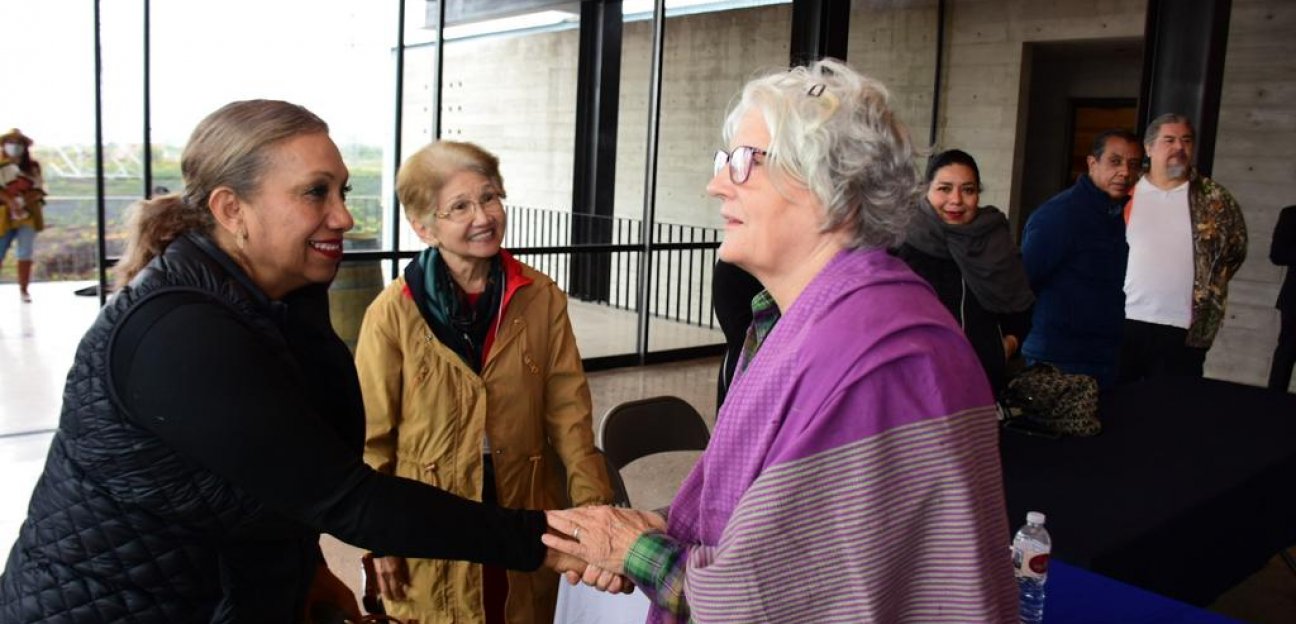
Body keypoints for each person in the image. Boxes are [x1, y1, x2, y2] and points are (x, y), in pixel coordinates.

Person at [0, 100, 575, 623]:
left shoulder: (274, 301)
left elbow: (274, 476)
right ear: (231, 208)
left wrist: (308, 572)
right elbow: (345, 496)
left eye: (343, 192)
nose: (344, 217)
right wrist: (557, 536)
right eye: (315, 193)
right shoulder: (181, 332)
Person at [544, 59, 1018, 623]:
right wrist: (669, 527)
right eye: (725, 161)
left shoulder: (875, 358)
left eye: (745, 162)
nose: (716, 183)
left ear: (832, 187)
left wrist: (629, 548)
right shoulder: (798, 320)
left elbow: (771, 599)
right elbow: (777, 518)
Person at [354, 140, 612, 624]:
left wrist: (594, 513)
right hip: (429, 510)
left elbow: (569, 416)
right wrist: (380, 538)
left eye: (490, 197)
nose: (484, 216)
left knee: (518, 608)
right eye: (460, 207)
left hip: (523, 498)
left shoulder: (540, 297)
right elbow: (373, 439)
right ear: (424, 228)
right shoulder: (393, 312)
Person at [896, 149, 1034, 398]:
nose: (956, 200)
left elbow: (1021, 307)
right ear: (926, 190)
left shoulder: (995, 242)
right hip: (914, 387)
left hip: (981, 383)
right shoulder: (901, 244)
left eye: (968, 190)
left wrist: (1005, 347)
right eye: (945, 189)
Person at [1119, 113, 1247, 383]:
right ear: (1149, 147)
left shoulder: (1215, 199)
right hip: (1122, 318)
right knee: (1118, 405)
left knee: (1173, 410)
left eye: (1186, 140)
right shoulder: (1123, 192)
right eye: (1169, 140)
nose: (1179, 147)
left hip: (1184, 327)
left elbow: (1235, 251)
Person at [1021, 130, 1143, 389]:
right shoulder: (1060, 214)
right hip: (1059, 359)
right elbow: (1023, 282)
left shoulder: (1110, 212)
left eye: (1133, 165)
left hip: (1102, 355)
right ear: (1092, 163)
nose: (1125, 172)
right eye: (1115, 161)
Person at [0, 128, 46, 303]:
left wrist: (24, 202)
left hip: (28, 216)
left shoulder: (32, 167)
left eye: (18, 143)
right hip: (3, 216)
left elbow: (39, 189)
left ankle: (24, 290)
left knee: (25, 253)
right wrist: (11, 201)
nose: (14, 146)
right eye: (10, 142)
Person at [1270, 205, 1296, 392]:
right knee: (1287, 352)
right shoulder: (1292, 214)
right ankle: (1272, 404)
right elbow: (1277, 254)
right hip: (1295, 299)